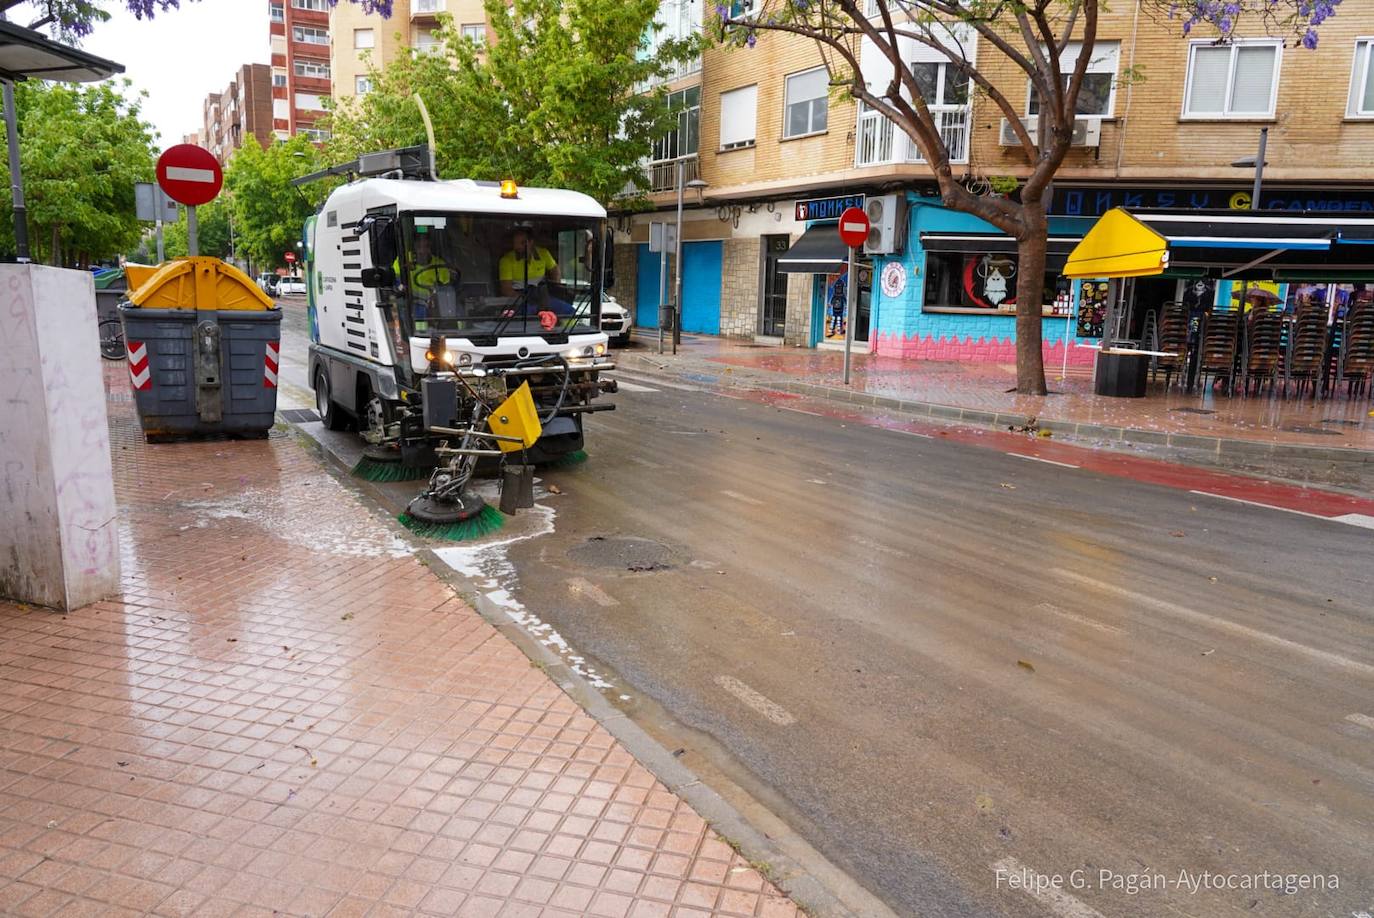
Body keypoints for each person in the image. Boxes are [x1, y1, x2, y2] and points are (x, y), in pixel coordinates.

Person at [499, 224, 569, 327]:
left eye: (522, 243)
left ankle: (566, 333)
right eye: (515, 243)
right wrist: (526, 299)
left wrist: (555, 288)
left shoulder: (543, 253)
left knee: (569, 311)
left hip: (542, 296)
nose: (517, 247)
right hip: (520, 299)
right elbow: (506, 289)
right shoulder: (506, 260)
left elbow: (555, 270)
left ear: (531, 242)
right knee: (527, 317)